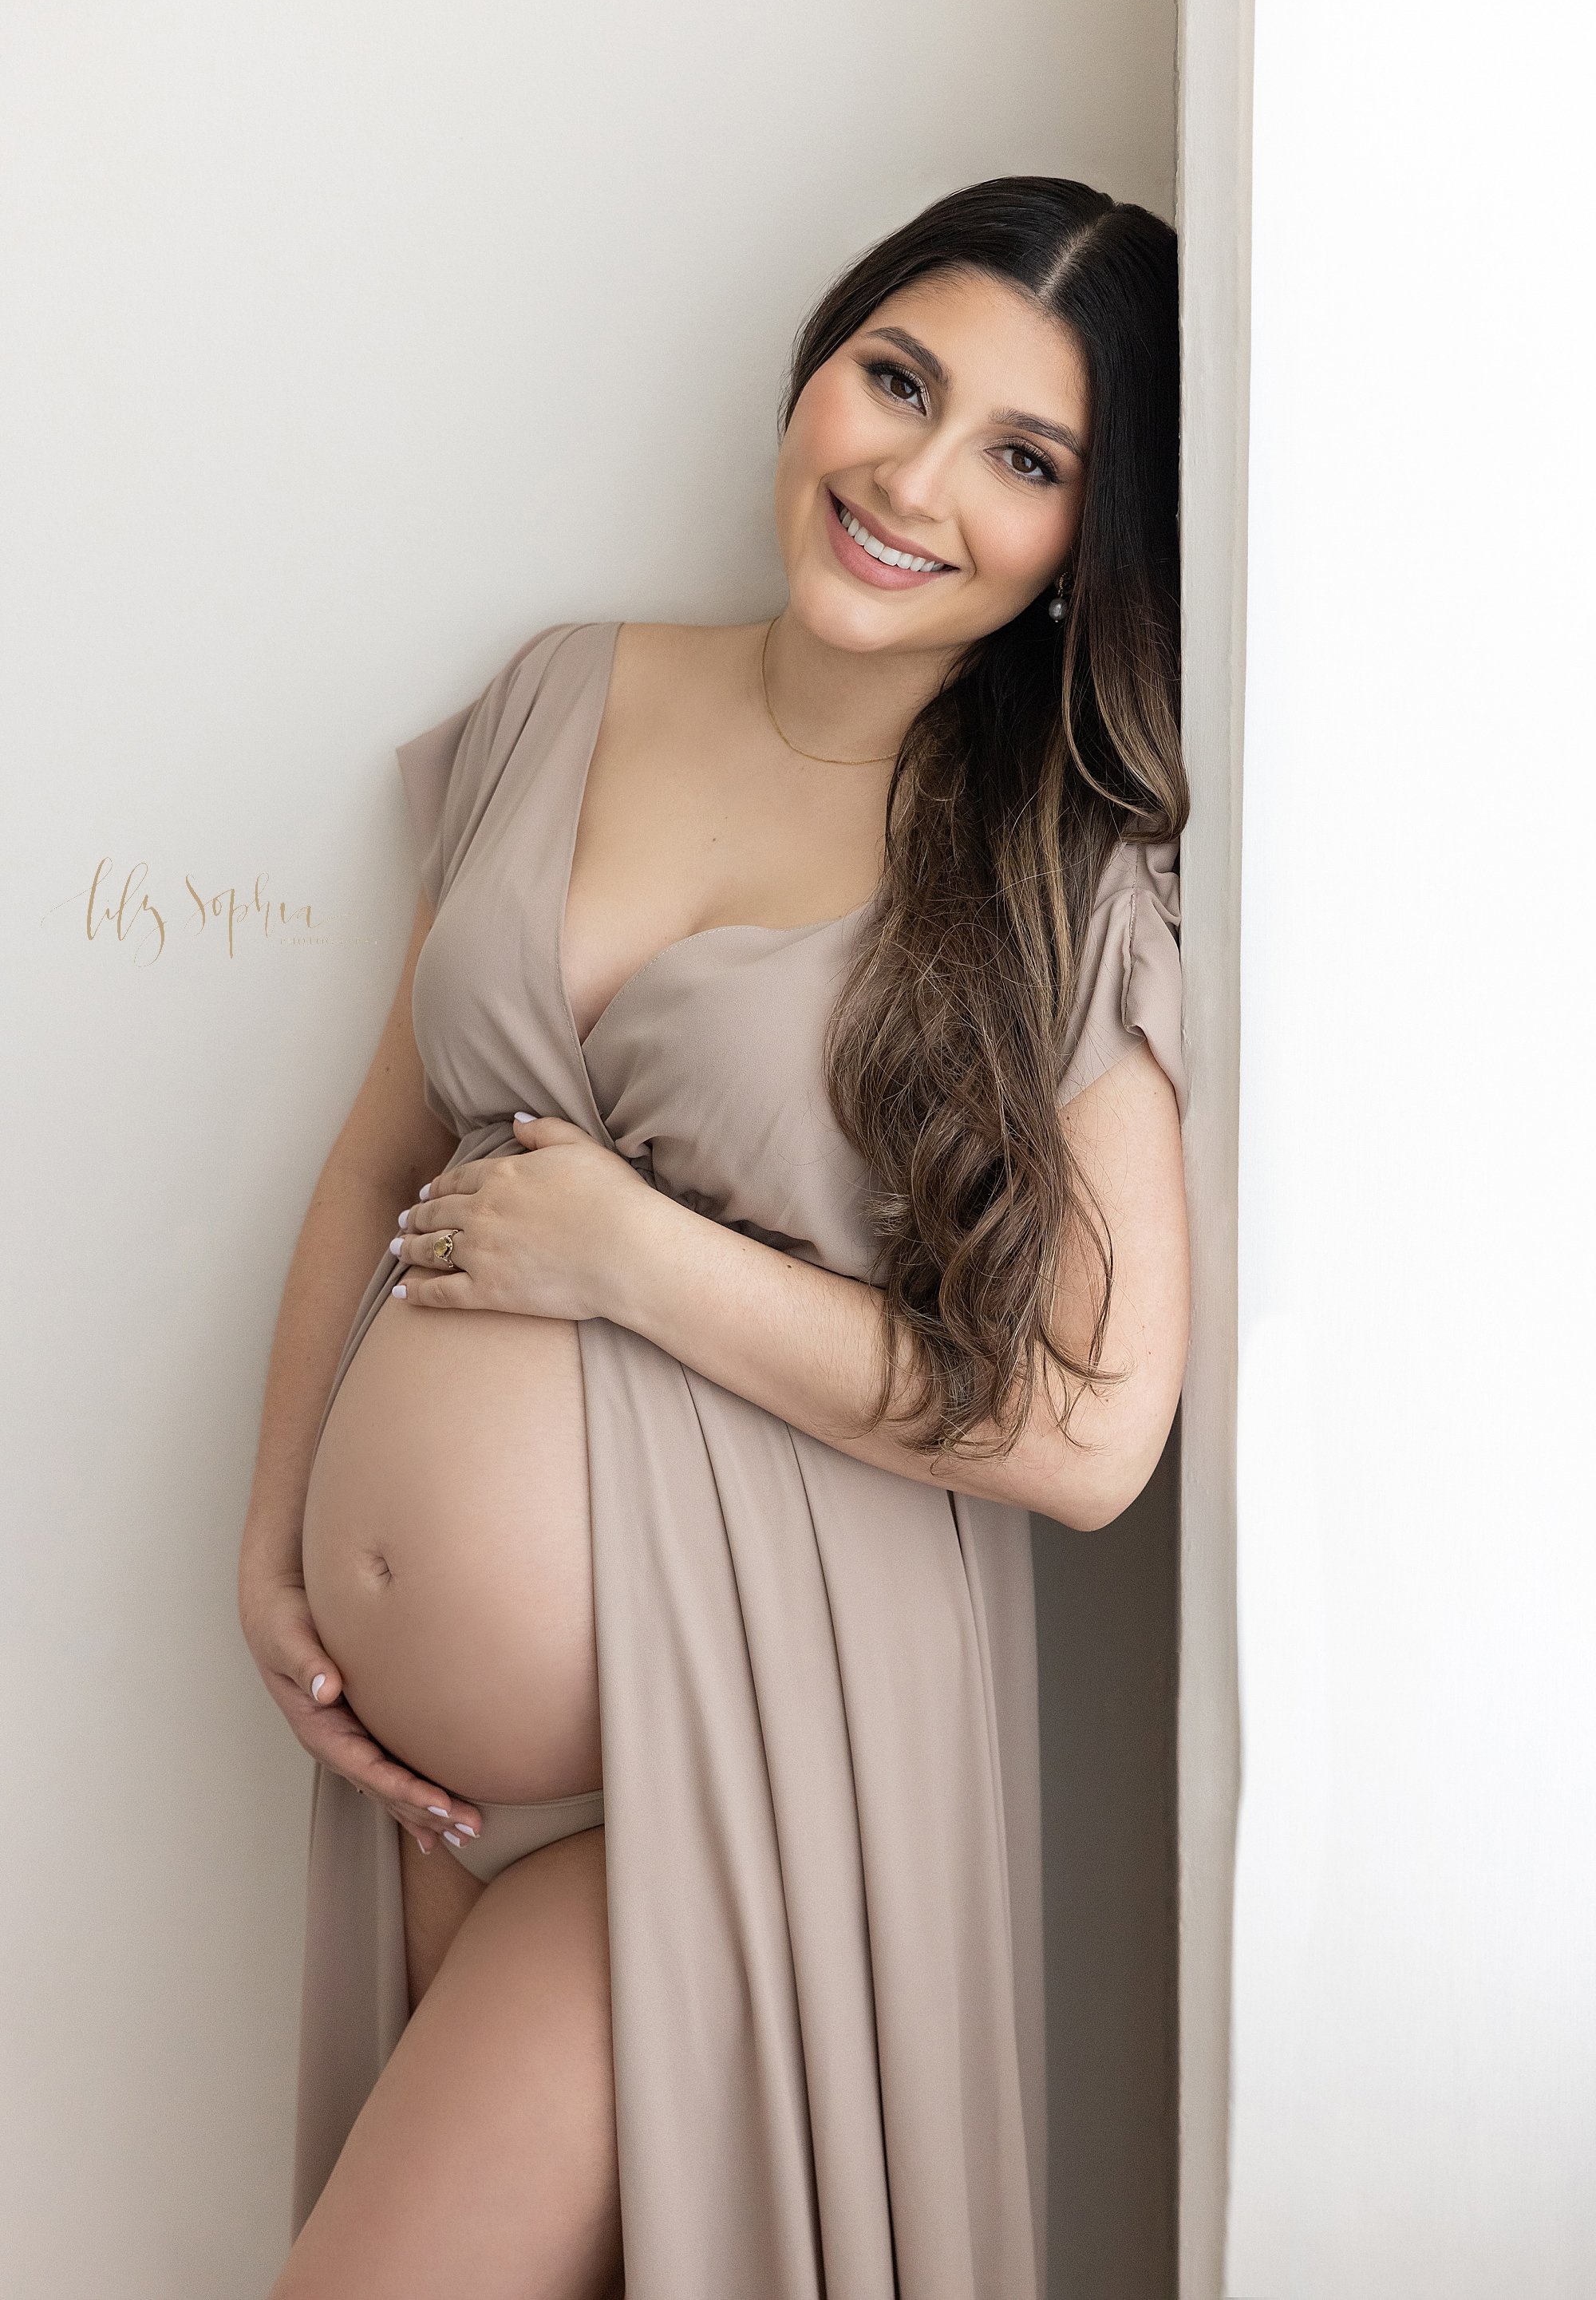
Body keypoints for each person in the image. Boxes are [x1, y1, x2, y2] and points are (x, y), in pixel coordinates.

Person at [239, 174, 1190, 2300]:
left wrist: (637, 1259)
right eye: (899, 378)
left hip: (745, 1770)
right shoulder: (563, 696)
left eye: (1023, 459)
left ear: (1082, 551)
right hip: (427, 1795)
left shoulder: (1053, 868)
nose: (914, 477)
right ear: (818, 367)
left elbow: (1095, 1437)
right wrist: (272, 1556)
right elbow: (374, 1162)